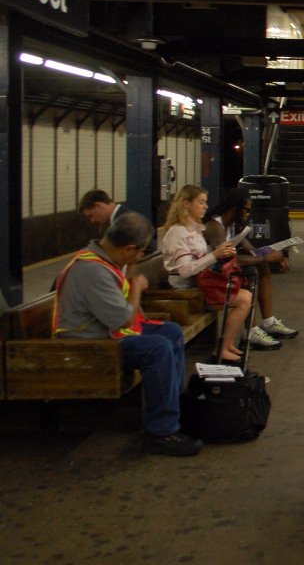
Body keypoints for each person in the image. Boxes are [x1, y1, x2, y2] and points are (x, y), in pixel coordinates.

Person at [53, 211, 203, 457]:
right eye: (140, 251)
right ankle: (161, 431)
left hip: (108, 332)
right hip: (91, 344)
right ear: (128, 248)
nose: (140, 256)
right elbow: (123, 318)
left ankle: (173, 411)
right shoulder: (92, 271)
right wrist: (136, 289)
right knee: (157, 349)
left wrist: (130, 270)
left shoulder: (104, 260)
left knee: (171, 331)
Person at [160, 184, 251, 365]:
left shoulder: (195, 229)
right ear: (186, 204)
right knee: (243, 300)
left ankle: (227, 344)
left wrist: (221, 253)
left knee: (246, 295)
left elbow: (201, 258)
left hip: (200, 282)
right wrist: (215, 255)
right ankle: (222, 348)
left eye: (205, 202)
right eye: (200, 202)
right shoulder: (178, 232)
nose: (206, 207)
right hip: (185, 289)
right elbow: (185, 270)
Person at [203, 188, 299, 351]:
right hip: (209, 275)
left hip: (219, 271)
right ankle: (251, 332)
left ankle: (268, 322)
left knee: (262, 266)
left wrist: (276, 255)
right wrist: (264, 258)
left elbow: (253, 251)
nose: (248, 214)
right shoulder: (215, 226)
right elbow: (227, 260)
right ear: (235, 208)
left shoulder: (234, 225)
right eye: (246, 210)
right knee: (250, 271)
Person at [78, 189, 157, 253]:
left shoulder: (127, 222)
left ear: (98, 206)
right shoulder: (118, 219)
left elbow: (149, 248)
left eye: (91, 215)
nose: (92, 220)